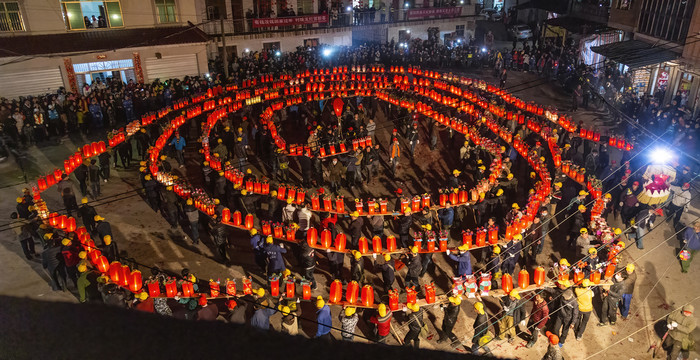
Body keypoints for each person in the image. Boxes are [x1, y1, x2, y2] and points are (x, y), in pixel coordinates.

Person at [550, 279, 578, 347]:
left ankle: (562, 341)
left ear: (570, 297)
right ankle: (556, 339)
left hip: (567, 319)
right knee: (556, 329)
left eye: (566, 298)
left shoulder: (574, 303)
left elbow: (575, 313)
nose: (564, 298)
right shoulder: (562, 296)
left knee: (564, 331)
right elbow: (555, 293)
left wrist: (573, 323)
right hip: (560, 316)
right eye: (564, 297)